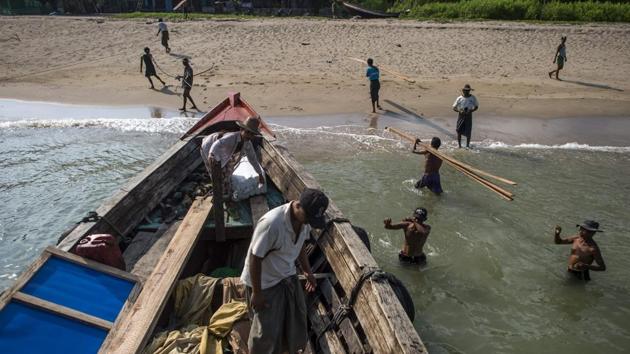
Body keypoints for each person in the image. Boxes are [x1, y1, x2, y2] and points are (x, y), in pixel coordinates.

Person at [240, 188, 329, 353]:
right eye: (309, 218)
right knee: (264, 332)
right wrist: (257, 293)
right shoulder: (272, 223)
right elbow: (255, 258)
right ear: (298, 206)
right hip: (264, 282)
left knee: (295, 320)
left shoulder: (304, 222)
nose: (309, 222)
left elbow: (301, 244)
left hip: (286, 275)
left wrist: (307, 271)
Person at [200, 116, 265, 198]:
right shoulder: (231, 137)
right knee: (216, 174)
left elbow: (253, 159)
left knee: (228, 171)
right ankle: (218, 194)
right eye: (247, 132)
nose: (249, 136)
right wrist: (211, 155)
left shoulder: (247, 144)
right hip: (208, 147)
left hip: (223, 152)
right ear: (241, 130)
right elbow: (217, 144)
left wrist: (260, 174)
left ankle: (224, 188)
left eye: (252, 134)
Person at [452, 84, 479, 148]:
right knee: (458, 130)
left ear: (469, 91)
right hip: (461, 115)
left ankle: (467, 146)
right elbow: (454, 107)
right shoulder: (459, 98)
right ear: (463, 90)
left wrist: (471, 110)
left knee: (468, 131)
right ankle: (459, 146)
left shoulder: (473, 98)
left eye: (468, 90)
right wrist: (459, 111)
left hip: (469, 116)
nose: (466, 92)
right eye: (465, 90)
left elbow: (476, 106)